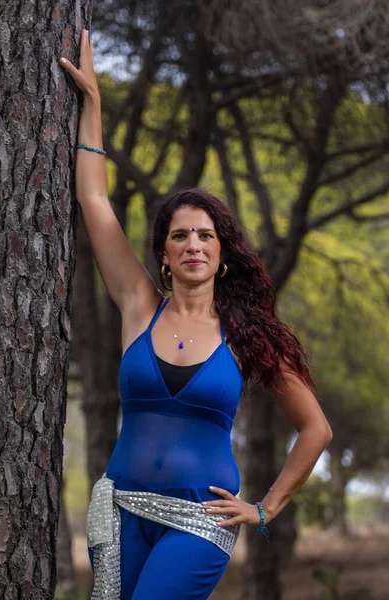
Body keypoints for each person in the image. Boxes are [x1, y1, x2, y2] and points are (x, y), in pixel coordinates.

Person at [60, 29, 333, 600]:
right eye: (180, 235)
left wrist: (264, 509)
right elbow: (94, 202)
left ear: (222, 251)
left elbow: (316, 429)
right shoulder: (139, 306)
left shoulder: (247, 336)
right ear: (164, 251)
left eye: (206, 236)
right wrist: (95, 106)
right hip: (120, 510)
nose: (193, 244)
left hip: (198, 523)